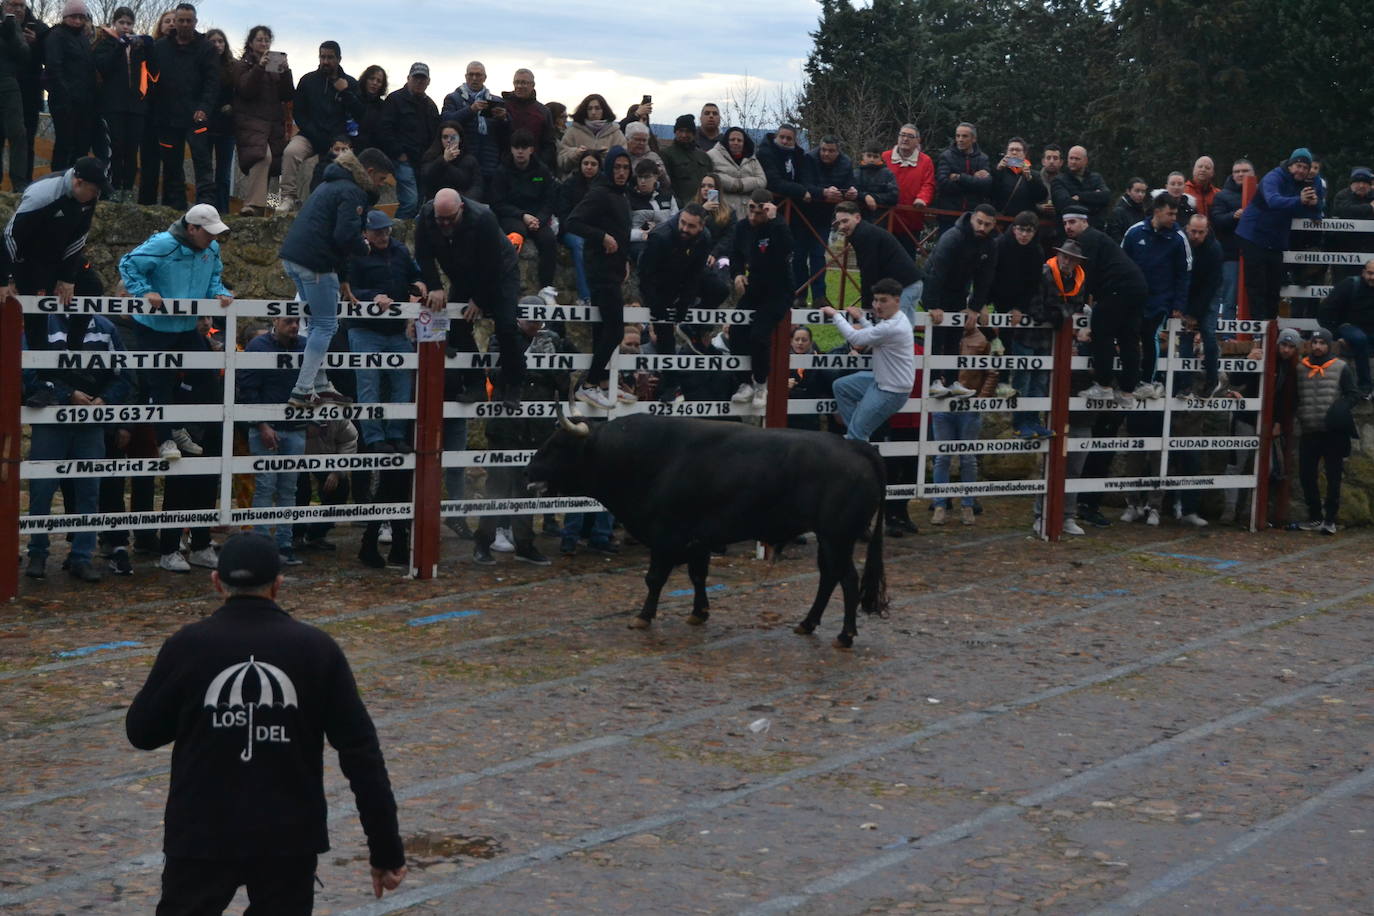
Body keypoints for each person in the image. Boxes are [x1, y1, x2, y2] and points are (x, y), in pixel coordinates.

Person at [126, 533, 407, 913]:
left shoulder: (188, 646)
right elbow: (361, 755)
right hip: (288, 837)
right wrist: (385, 850)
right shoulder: (316, 649)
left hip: (201, 832)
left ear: (215, 582)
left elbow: (142, 733)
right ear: (278, 584)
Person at [119, 203, 233, 572]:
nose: (214, 237)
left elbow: (215, 275)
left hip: (185, 327)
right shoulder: (162, 243)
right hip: (153, 325)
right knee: (159, 383)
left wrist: (221, 293)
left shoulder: (210, 249)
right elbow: (128, 264)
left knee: (206, 379)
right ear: (192, 228)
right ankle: (168, 436)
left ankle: (185, 431)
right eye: (209, 231)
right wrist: (144, 291)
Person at [278, 146, 394, 408]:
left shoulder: (331, 184)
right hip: (316, 264)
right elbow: (344, 237)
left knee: (317, 324)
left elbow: (332, 235)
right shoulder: (353, 191)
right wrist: (364, 247)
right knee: (326, 326)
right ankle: (303, 389)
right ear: (370, 171)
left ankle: (319, 384)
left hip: (294, 259)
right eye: (381, 180)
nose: (381, 185)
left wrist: (342, 279)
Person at [22, 311, 132, 582]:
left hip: (90, 424)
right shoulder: (42, 323)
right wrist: (67, 395)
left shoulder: (105, 327)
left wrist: (104, 401)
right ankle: (37, 553)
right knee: (41, 490)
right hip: (50, 420)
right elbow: (27, 371)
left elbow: (123, 374)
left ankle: (82, 557)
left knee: (89, 491)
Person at [472, 306, 566, 567]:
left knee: (527, 488)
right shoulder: (500, 338)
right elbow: (496, 375)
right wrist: (528, 360)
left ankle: (525, 545)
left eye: (539, 319)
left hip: (537, 429)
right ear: (519, 319)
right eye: (531, 318)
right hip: (506, 427)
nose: (536, 324)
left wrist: (551, 360)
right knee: (497, 486)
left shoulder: (552, 341)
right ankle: (483, 542)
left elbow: (564, 384)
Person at [416, 188, 525, 409]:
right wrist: (435, 287)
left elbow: (492, 266)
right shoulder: (426, 217)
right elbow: (423, 255)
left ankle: (513, 385)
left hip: (500, 272)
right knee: (457, 325)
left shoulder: (484, 218)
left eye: (450, 219)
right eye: (440, 219)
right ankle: (475, 384)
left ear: (462, 209)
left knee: (506, 327)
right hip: (463, 271)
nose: (445, 224)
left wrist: (479, 300)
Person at [1, 156, 106, 359]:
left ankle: (73, 351)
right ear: (79, 182)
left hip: (60, 254)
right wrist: (5, 278)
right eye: (93, 190)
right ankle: (43, 378)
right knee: (37, 317)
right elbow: (10, 236)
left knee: (92, 287)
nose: (96, 196)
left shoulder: (90, 197)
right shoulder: (43, 194)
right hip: (30, 259)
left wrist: (68, 278)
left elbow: (79, 237)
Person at [346, 209, 424, 450]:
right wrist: (372, 297)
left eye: (386, 230)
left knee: (403, 382)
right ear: (366, 233)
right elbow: (347, 290)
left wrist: (419, 286)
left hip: (395, 330)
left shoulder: (400, 250)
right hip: (365, 329)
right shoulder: (356, 255)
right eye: (378, 231)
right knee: (368, 384)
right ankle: (374, 438)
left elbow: (415, 275)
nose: (383, 235)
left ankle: (396, 435)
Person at [638, 204, 729, 404]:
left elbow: (697, 273)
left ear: (701, 226)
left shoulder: (704, 237)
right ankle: (671, 385)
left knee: (719, 288)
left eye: (691, 226)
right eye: (683, 223)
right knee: (664, 334)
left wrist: (685, 304)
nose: (685, 229)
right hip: (659, 283)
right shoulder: (661, 236)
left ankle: (693, 327)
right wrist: (657, 307)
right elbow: (644, 276)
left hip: (686, 277)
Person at [239, 316, 309, 564]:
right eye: (289, 321)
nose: (294, 326)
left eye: (297, 322)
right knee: (265, 486)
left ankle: (284, 543)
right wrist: (262, 424)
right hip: (265, 427)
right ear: (276, 321)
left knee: (289, 488)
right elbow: (247, 388)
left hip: (296, 426)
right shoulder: (257, 347)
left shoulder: (304, 345)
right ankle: (262, 546)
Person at [566, 146, 632, 409]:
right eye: (617, 167)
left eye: (626, 168)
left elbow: (621, 232)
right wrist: (601, 237)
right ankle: (589, 383)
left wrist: (624, 259)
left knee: (603, 329)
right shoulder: (600, 193)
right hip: (600, 270)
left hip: (614, 269)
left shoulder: (621, 195)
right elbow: (573, 222)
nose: (621, 172)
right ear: (609, 168)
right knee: (616, 330)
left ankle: (603, 382)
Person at [1064, 205, 1149, 405]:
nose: (1068, 226)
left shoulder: (1087, 239)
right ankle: (1128, 391)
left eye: (1073, 222)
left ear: (1085, 221)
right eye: (1065, 223)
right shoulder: (1097, 238)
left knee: (1102, 332)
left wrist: (1079, 304)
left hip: (1117, 289)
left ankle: (1103, 385)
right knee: (1129, 337)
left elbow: (1088, 274)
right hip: (1136, 286)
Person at [821, 277, 915, 442]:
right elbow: (877, 334)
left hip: (891, 391)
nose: (877, 306)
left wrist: (835, 315)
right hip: (883, 382)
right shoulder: (898, 319)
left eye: (883, 301)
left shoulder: (891, 326)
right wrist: (862, 319)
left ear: (897, 301)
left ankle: (856, 439)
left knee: (857, 435)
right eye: (876, 300)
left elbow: (855, 339)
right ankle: (856, 434)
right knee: (841, 386)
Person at [1236, 148, 1325, 320]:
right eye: (1298, 166)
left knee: (1274, 288)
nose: (1300, 170)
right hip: (1253, 235)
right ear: (1290, 165)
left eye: (1305, 168)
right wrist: (1300, 200)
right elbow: (1273, 200)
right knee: (1257, 287)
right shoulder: (1274, 177)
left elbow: (1314, 212)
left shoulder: (1308, 183)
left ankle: (1271, 329)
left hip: (1276, 240)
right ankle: (1258, 332)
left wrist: (1315, 204)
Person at [921, 204, 999, 397]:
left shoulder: (991, 244)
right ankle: (933, 381)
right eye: (979, 222)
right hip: (935, 288)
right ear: (972, 218)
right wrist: (934, 305)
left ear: (993, 225)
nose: (982, 227)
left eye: (987, 225)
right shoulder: (953, 237)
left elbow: (985, 279)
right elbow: (935, 272)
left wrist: (975, 307)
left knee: (955, 337)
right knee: (937, 337)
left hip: (959, 291)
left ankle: (953, 380)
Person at [277, 41, 363, 213]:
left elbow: (359, 114)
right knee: (291, 152)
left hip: (338, 140)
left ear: (338, 59)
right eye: (322, 56)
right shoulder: (308, 81)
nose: (325, 61)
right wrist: (314, 134)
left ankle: (330, 204)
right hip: (310, 134)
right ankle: (288, 197)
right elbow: (299, 113)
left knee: (335, 168)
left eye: (330, 57)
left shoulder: (351, 83)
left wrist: (345, 93)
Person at [727, 188, 795, 408]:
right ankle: (744, 382)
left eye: (760, 212)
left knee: (759, 335)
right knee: (736, 331)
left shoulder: (778, 226)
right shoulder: (742, 227)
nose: (754, 217)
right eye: (751, 211)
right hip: (754, 288)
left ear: (769, 209)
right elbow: (735, 253)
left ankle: (760, 384)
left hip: (778, 290)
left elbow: (787, 250)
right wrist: (737, 274)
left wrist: (775, 221)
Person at [928, 315, 998, 525]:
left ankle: (967, 504)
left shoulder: (982, 339)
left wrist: (980, 399)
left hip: (968, 405)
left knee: (968, 457)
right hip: (942, 403)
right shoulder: (943, 335)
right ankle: (940, 503)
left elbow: (992, 371)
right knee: (942, 457)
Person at [147, 3, 218, 208]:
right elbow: (151, 79)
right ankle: (174, 208)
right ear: (175, 22)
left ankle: (206, 207)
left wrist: (204, 108)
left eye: (189, 20)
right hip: (167, 117)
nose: (185, 24)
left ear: (195, 22)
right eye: (181, 20)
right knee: (171, 165)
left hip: (197, 116)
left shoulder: (206, 48)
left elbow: (212, 83)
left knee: (203, 162)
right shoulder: (159, 47)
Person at [1122, 193, 1190, 400]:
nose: (1173, 218)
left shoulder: (1178, 238)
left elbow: (1185, 273)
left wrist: (1178, 304)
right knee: (1130, 338)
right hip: (1134, 298)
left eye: (1175, 214)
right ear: (1157, 211)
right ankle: (1129, 381)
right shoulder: (1134, 233)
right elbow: (1120, 263)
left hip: (1161, 299)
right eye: (1170, 213)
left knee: (1151, 337)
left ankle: (1147, 381)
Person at [1294, 329, 1359, 534]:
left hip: (1333, 432)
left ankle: (1330, 519)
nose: (1318, 347)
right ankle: (1314, 516)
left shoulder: (1340, 367)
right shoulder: (1300, 368)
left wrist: (1339, 409)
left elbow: (1352, 394)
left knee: (1333, 476)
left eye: (1322, 343)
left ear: (1329, 345)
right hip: (1309, 429)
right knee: (1306, 475)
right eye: (1315, 342)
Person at [994, 211, 1051, 437]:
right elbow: (989, 275)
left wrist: (1019, 306)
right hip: (997, 298)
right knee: (1000, 342)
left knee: (1031, 369)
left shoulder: (1036, 251)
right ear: (1013, 227)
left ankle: (1028, 419)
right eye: (1021, 229)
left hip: (1021, 304)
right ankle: (1000, 381)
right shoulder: (1000, 244)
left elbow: (1032, 284)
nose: (1024, 234)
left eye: (1029, 231)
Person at [491, 127, 559, 299]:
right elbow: (498, 203)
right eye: (516, 147)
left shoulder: (542, 171)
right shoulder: (502, 171)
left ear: (531, 149)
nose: (520, 151)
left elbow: (549, 200)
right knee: (515, 236)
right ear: (511, 149)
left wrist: (540, 219)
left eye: (524, 147)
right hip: (511, 217)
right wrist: (522, 215)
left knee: (549, 240)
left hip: (537, 218)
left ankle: (547, 288)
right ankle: (506, 282)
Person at [232, 25, 292, 217]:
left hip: (273, 124)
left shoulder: (275, 68)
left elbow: (287, 94)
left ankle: (263, 209)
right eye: (260, 40)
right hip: (250, 123)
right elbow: (246, 90)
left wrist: (286, 72)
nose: (264, 43)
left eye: (267, 40)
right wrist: (259, 67)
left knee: (271, 167)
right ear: (250, 43)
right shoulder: (242, 65)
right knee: (261, 157)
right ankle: (251, 205)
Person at [92, 6, 149, 202]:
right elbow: (103, 66)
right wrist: (119, 46)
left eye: (129, 23)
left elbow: (151, 71)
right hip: (113, 105)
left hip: (136, 106)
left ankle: (128, 187)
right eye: (122, 23)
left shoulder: (137, 46)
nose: (125, 27)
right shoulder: (105, 43)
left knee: (132, 149)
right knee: (116, 146)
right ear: (114, 24)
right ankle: (113, 187)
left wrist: (148, 46)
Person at [831, 200, 922, 321]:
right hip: (911, 283)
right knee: (904, 333)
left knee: (892, 332)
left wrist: (867, 308)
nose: (841, 226)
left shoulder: (863, 235)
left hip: (903, 287)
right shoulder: (864, 231)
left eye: (845, 221)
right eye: (838, 223)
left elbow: (868, 272)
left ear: (857, 218)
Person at [756, 124, 816, 303]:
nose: (784, 141)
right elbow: (773, 181)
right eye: (782, 137)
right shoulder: (766, 152)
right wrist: (800, 190)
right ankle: (769, 293)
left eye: (789, 138)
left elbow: (806, 178)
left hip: (797, 212)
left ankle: (800, 293)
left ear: (795, 140)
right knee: (770, 253)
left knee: (798, 254)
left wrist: (804, 189)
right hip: (774, 211)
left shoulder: (799, 155)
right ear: (776, 136)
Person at [377, 62, 438, 219]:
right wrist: (398, 153)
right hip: (402, 160)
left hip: (422, 162)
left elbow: (435, 135)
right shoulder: (395, 99)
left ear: (428, 82)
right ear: (408, 78)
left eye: (422, 79)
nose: (419, 82)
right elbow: (384, 129)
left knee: (418, 203)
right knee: (410, 202)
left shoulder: (430, 105)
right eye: (416, 78)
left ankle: (406, 236)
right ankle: (395, 232)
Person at [801, 135, 855, 306]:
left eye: (831, 151)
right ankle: (799, 295)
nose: (826, 154)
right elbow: (804, 184)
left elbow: (850, 184)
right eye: (823, 149)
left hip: (825, 216)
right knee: (799, 256)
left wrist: (849, 192)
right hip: (802, 214)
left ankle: (819, 297)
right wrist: (823, 192)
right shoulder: (809, 158)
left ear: (838, 151)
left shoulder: (846, 163)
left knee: (818, 255)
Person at [45, 0, 98, 171]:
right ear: (65, 17)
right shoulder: (56, 35)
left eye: (81, 17)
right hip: (64, 101)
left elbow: (89, 68)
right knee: (64, 143)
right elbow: (54, 67)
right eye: (73, 17)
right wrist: (65, 95)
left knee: (82, 145)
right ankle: (58, 182)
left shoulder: (82, 38)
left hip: (85, 101)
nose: (77, 21)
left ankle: (76, 182)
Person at [1179, 212, 1226, 398]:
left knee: (1207, 330)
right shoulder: (1180, 241)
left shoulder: (1215, 249)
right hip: (1187, 287)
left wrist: (1194, 314)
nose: (1196, 236)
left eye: (1200, 232)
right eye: (1193, 231)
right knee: (1184, 334)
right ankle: (1184, 384)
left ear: (1207, 231)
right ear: (1187, 229)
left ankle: (1212, 379)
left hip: (1210, 288)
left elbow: (1209, 287)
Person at [442, 60, 510, 185]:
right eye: (471, 75)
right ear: (466, 77)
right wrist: (470, 110)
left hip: (490, 160)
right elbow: (446, 122)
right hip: (462, 158)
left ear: (484, 78)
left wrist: (503, 118)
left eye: (478, 75)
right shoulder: (453, 98)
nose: (474, 78)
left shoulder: (496, 101)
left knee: (489, 199)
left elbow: (507, 133)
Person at [1318, 259, 1374, 397]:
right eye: (1370, 273)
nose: (1373, 277)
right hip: (1349, 326)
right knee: (1360, 339)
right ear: (1363, 272)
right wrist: (1336, 335)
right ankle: (1364, 384)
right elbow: (1324, 311)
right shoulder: (1349, 285)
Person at [4, 0, 44, 189]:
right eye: (14, 5)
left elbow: (27, 54)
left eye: (21, 5)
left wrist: (30, 40)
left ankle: (21, 183)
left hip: (22, 91)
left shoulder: (34, 27)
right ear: (4, 5)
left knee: (21, 135)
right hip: (7, 81)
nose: (18, 9)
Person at [555, 148, 599, 307]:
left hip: (595, 231)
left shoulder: (604, 186)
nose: (589, 167)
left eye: (593, 164)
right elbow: (563, 214)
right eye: (585, 163)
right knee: (580, 245)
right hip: (571, 231)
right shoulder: (569, 184)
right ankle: (585, 296)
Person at [882, 124, 935, 255]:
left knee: (905, 261)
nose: (905, 139)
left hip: (910, 220)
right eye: (902, 135)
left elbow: (928, 184)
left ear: (918, 141)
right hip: (884, 217)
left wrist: (922, 199)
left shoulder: (925, 161)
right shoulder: (885, 157)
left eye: (910, 136)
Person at [1210, 158, 1253, 321]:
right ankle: (1228, 336)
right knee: (1229, 297)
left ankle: (1255, 335)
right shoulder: (1222, 196)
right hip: (1230, 255)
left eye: (1245, 171)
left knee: (1253, 296)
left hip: (1254, 255)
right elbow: (1216, 220)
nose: (1241, 174)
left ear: (1253, 173)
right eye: (1237, 171)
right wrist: (1233, 216)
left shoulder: (1262, 194)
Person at [202, 28, 237, 214]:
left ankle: (223, 212)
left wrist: (233, 107)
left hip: (229, 127)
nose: (217, 45)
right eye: (213, 41)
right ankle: (205, 212)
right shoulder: (201, 66)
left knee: (223, 175)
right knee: (206, 172)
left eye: (221, 41)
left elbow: (241, 95)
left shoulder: (234, 67)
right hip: (207, 125)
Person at [933, 122, 991, 227]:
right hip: (948, 215)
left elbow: (986, 185)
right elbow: (943, 183)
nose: (960, 139)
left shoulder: (983, 159)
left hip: (973, 217)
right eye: (957, 136)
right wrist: (973, 182)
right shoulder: (946, 156)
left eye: (964, 136)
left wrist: (960, 177)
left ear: (974, 139)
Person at [500, 68, 555, 170]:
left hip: (535, 170)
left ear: (532, 85)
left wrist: (540, 164)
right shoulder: (502, 107)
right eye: (517, 82)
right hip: (507, 169)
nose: (519, 86)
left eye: (524, 83)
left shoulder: (543, 112)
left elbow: (549, 143)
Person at [557, 92, 623, 177]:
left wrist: (609, 155)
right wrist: (575, 153)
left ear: (604, 110)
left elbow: (623, 160)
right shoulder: (573, 131)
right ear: (585, 110)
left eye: (597, 108)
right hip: (576, 183)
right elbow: (561, 162)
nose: (593, 112)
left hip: (606, 183)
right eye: (589, 108)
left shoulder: (615, 133)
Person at [706, 125, 766, 217]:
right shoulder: (712, 155)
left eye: (739, 140)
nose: (736, 142)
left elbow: (762, 181)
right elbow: (710, 177)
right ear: (726, 141)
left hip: (748, 213)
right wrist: (733, 184)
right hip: (722, 211)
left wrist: (741, 185)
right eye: (732, 140)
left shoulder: (751, 158)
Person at [626, 158, 678, 262]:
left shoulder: (667, 196)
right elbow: (621, 230)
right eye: (640, 177)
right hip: (639, 242)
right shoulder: (628, 197)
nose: (642, 181)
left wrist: (659, 231)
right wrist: (643, 234)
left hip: (665, 239)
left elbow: (676, 222)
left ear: (656, 177)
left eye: (647, 177)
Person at [1329, 167, 1374, 281]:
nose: (1361, 185)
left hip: (1369, 251)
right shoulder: (1342, 195)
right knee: (1342, 286)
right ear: (1351, 184)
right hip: (1343, 251)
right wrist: (1369, 208)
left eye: (1365, 182)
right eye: (1358, 182)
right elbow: (1344, 211)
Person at [421, 121, 483, 202]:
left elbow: (476, 186)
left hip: (464, 202)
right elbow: (427, 178)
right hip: (437, 202)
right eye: (445, 137)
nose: (449, 141)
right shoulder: (430, 156)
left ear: (460, 139)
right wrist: (443, 160)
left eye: (453, 137)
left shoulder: (470, 159)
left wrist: (464, 202)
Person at [1051, 145, 1111, 229]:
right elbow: (1064, 204)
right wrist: (1095, 203)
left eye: (1077, 159)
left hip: (1095, 229)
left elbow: (1106, 196)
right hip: (1069, 232)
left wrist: (1080, 197)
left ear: (1085, 161)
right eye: (1071, 158)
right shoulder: (1059, 180)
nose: (1073, 161)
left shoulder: (1096, 178)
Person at [661, 114, 713, 210]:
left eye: (688, 131)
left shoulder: (704, 157)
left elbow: (713, 182)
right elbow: (666, 185)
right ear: (675, 132)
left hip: (706, 207)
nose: (684, 135)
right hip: (682, 209)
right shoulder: (666, 155)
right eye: (681, 131)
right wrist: (678, 204)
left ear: (693, 133)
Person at [989, 136, 1047, 217]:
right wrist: (998, 171)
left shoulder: (1033, 174)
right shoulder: (997, 171)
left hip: (1024, 220)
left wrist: (1030, 179)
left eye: (1018, 150)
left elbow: (1041, 197)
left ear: (1025, 154)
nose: (1014, 152)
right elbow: (989, 194)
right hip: (1001, 219)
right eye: (1011, 150)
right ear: (1006, 153)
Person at [852, 141, 898, 219]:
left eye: (875, 157)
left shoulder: (887, 174)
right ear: (863, 155)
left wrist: (872, 197)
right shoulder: (856, 173)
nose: (872, 160)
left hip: (880, 218)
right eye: (869, 156)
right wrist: (865, 196)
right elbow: (850, 191)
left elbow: (894, 196)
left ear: (881, 158)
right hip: (857, 217)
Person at [353, 64, 387, 152]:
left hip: (372, 151)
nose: (375, 83)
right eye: (372, 78)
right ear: (365, 80)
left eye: (379, 81)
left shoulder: (383, 106)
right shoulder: (353, 100)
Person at [1107, 177, 1149, 242]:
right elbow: (1114, 236)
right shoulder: (1118, 212)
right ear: (1128, 191)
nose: (1140, 194)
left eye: (1143, 192)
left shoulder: (1142, 211)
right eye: (1137, 191)